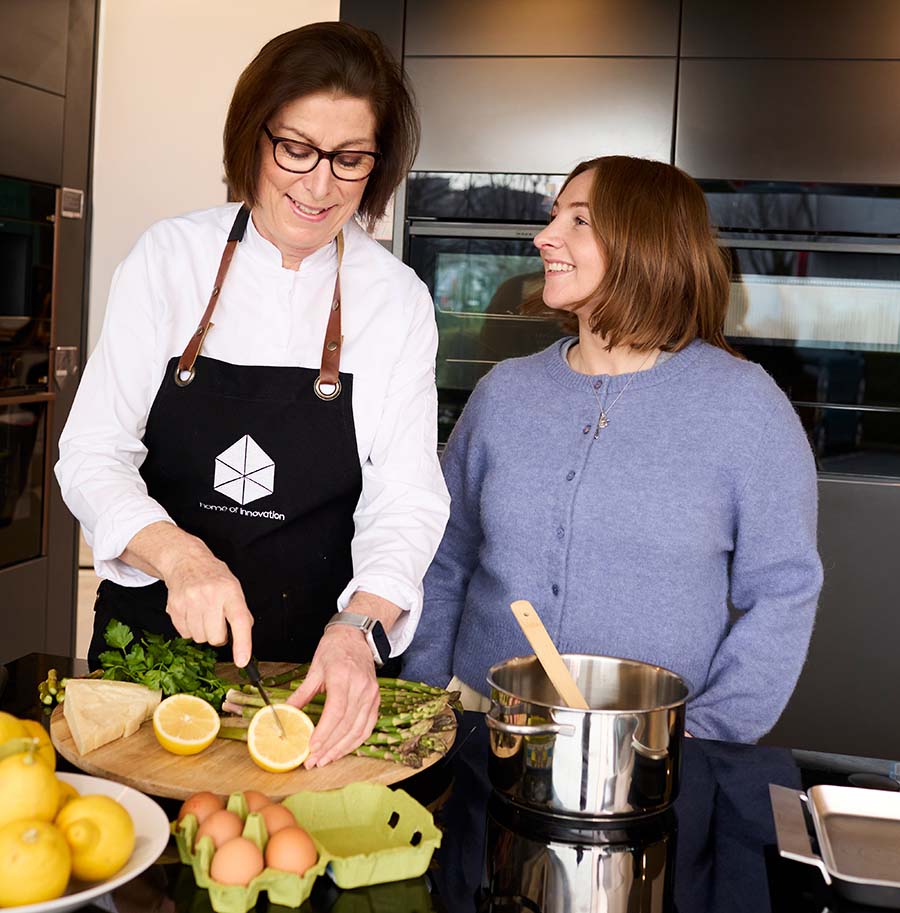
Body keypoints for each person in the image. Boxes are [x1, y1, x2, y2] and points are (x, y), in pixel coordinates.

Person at [55, 22, 450, 766]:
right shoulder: (169, 258)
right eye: (295, 148)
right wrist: (178, 555)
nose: (319, 184)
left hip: (315, 669)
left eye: (350, 159)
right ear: (251, 138)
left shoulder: (395, 300)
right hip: (152, 657)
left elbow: (407, 498)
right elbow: (91, 451)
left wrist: (361, 628)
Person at [402, 155, 822, 743]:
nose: (544, 237)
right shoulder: (505, 393)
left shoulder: (745, 408)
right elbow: (444, 557)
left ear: (643, 242)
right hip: (482, 724)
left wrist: (711, 733)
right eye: (554, 217)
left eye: (579, 220)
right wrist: (428, 690)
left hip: (655, 746)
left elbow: (783, 589)